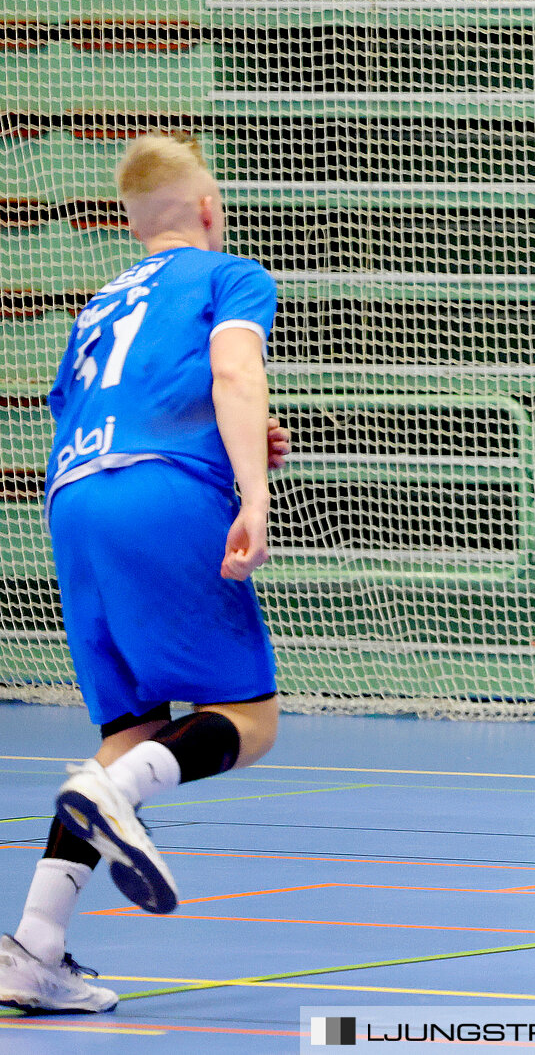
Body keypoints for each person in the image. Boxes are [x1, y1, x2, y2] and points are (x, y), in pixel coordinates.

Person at [0, 133, 289, 1014]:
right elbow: (234, 369)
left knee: (132, 730)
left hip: (73, 502)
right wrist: (253, 489)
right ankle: (112, 793)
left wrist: (232, 438)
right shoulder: (229, 274)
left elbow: (118, 406)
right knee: (250, 719)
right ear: (208, 209)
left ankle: (32, 951)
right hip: (160, 495)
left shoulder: (97, 304)